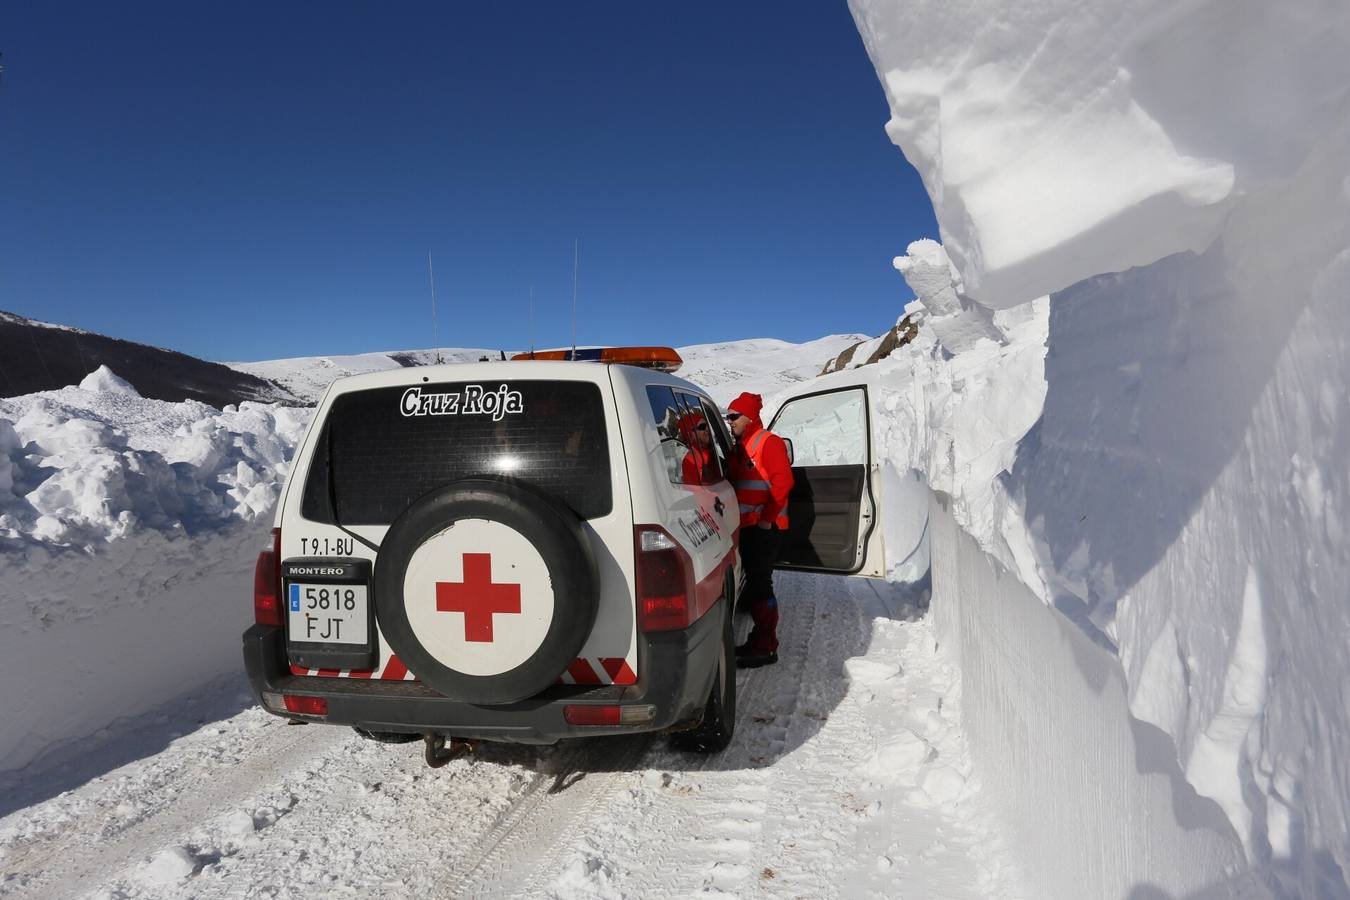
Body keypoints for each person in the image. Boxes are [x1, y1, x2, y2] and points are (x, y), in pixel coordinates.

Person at [725, 391, 793, 668]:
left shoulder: (768, 442)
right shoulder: (743, 446)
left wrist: (767, 518)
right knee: (755, 584)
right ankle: (759, 640)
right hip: (750, 527)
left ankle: (766, 646)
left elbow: (783, 483)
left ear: (750, 417)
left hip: (765, 528)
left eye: (734, 416)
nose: (730, 421)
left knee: (760, 586)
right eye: (728, 416)